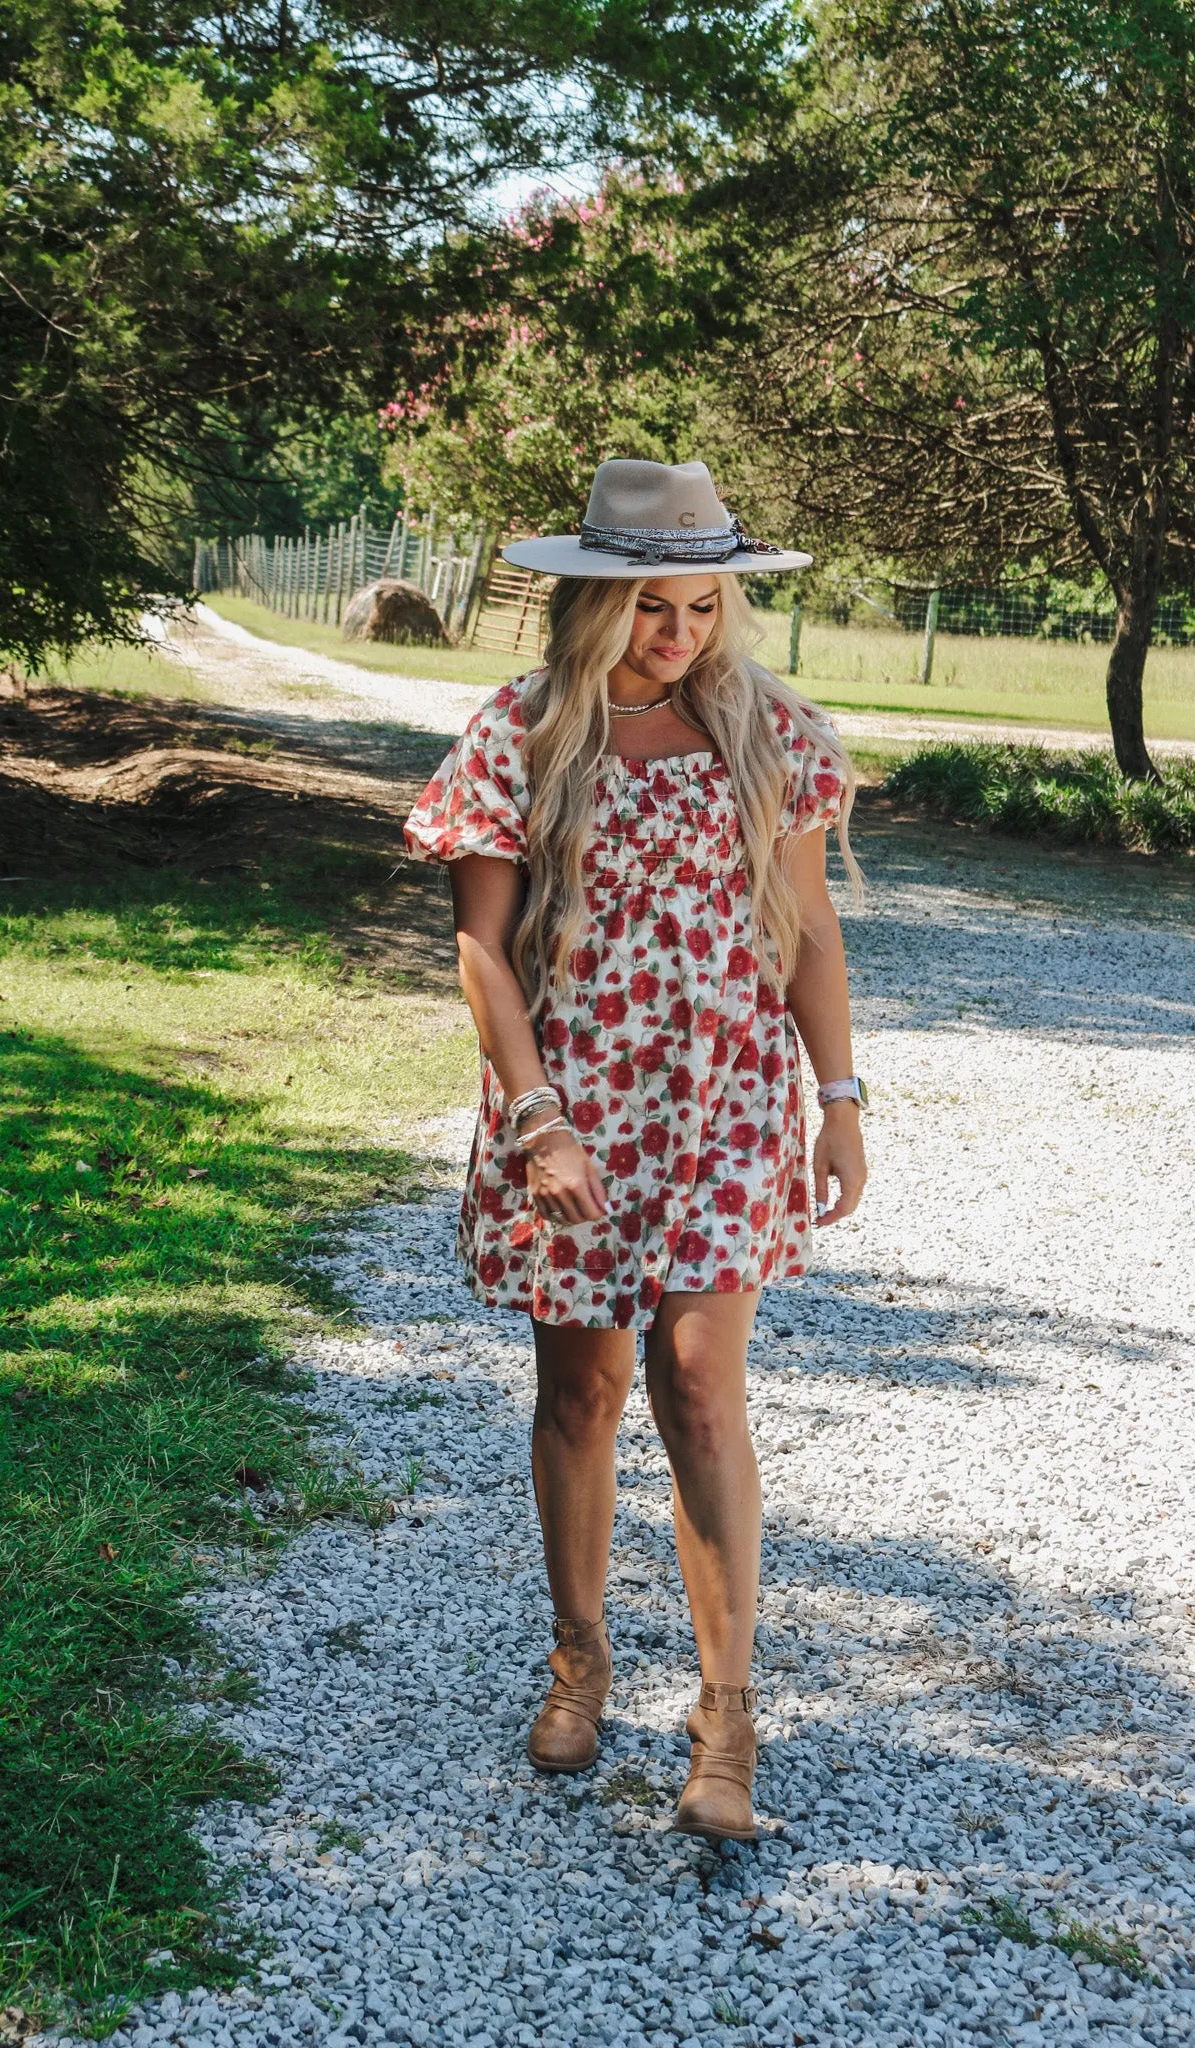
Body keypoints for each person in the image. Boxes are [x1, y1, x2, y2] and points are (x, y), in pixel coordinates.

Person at [403, 459, 867, 1844]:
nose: (681, 635)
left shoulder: (768, 733)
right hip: (578, 1103)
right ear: (595, 604)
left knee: (704, 1389)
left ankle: (727, 1721)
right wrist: (536, 1116)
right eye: (652, 609)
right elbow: (484, 950)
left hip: (726, 1096)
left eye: (704, 606)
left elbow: (811, 933)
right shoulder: (522, 735)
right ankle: (580, 1659)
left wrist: (839, 1096)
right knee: (584, 1393)